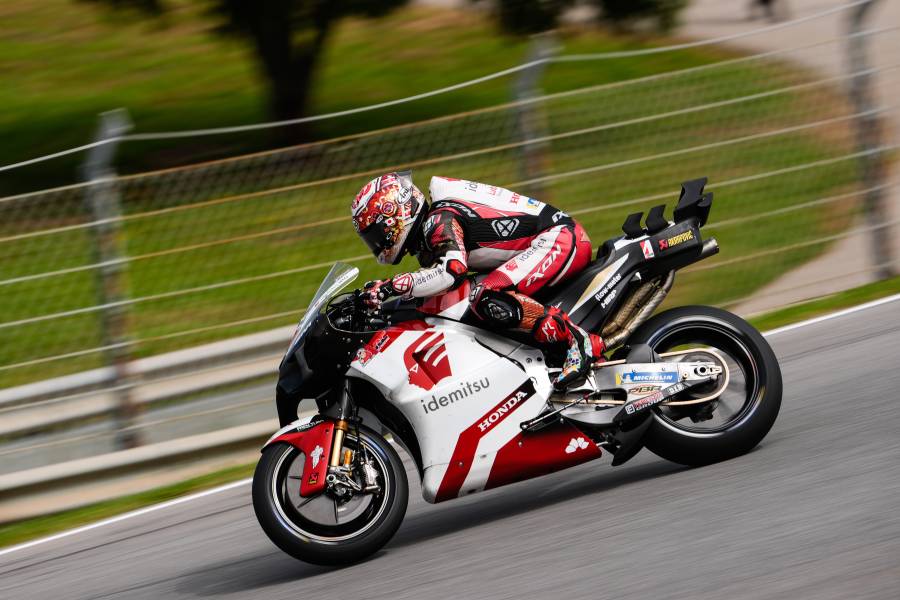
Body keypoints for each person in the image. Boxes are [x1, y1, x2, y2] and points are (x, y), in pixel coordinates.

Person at [351, 172, 605, 389]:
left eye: (376, 233)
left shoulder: (440, 220)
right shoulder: (429, 235)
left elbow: (450, 271)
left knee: (484, 295)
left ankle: (578, 341)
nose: (377, 243)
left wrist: (391, 287)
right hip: (548, 241)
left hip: (558, 239)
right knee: (469, 296)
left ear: (394, 214)